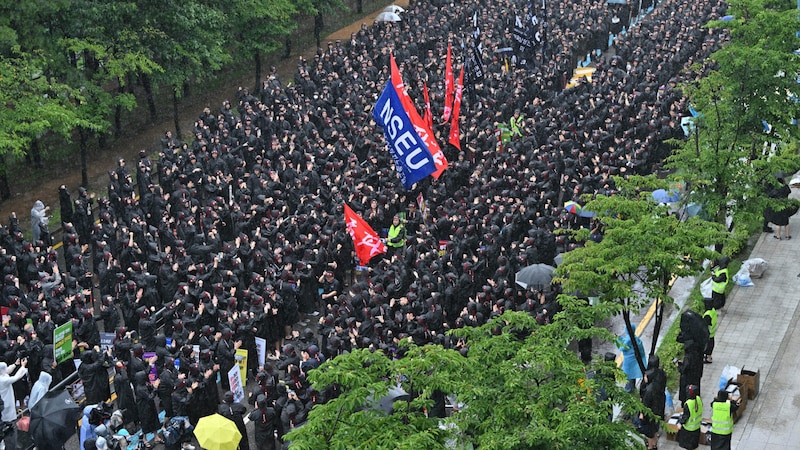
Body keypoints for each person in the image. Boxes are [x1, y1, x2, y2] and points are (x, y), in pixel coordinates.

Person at [0, 360, 27, 450]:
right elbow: (16, 377)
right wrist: (23, 367)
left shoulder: (2, 375)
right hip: (6, 408)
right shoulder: (3, 380)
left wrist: (15, 365)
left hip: (5, 406)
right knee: (10, 428)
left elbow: (7, 370)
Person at [616, 324, 647, 393]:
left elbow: (622, 347)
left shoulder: (628, 339)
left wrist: (617, 339)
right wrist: (620, 338)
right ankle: (631, 386)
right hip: (634, 359)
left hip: (629, 360)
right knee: (633, 374)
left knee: (628, 374)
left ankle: (629, 389)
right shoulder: (635, 338)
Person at [677, 384, 702, 449]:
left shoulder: (688, 404)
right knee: (695, 445)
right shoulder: (698, 399)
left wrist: (680, 423)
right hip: (697, 427)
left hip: (689, 429)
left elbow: (685, 417)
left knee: (689, 446)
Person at [702, 297, 718, 364]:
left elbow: (704, 325)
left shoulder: (707, 315)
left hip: (708, 333)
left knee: (707, 346)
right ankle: (709, 357)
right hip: (712, 332)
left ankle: (708, 358)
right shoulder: (713, 310)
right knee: (711, 344)